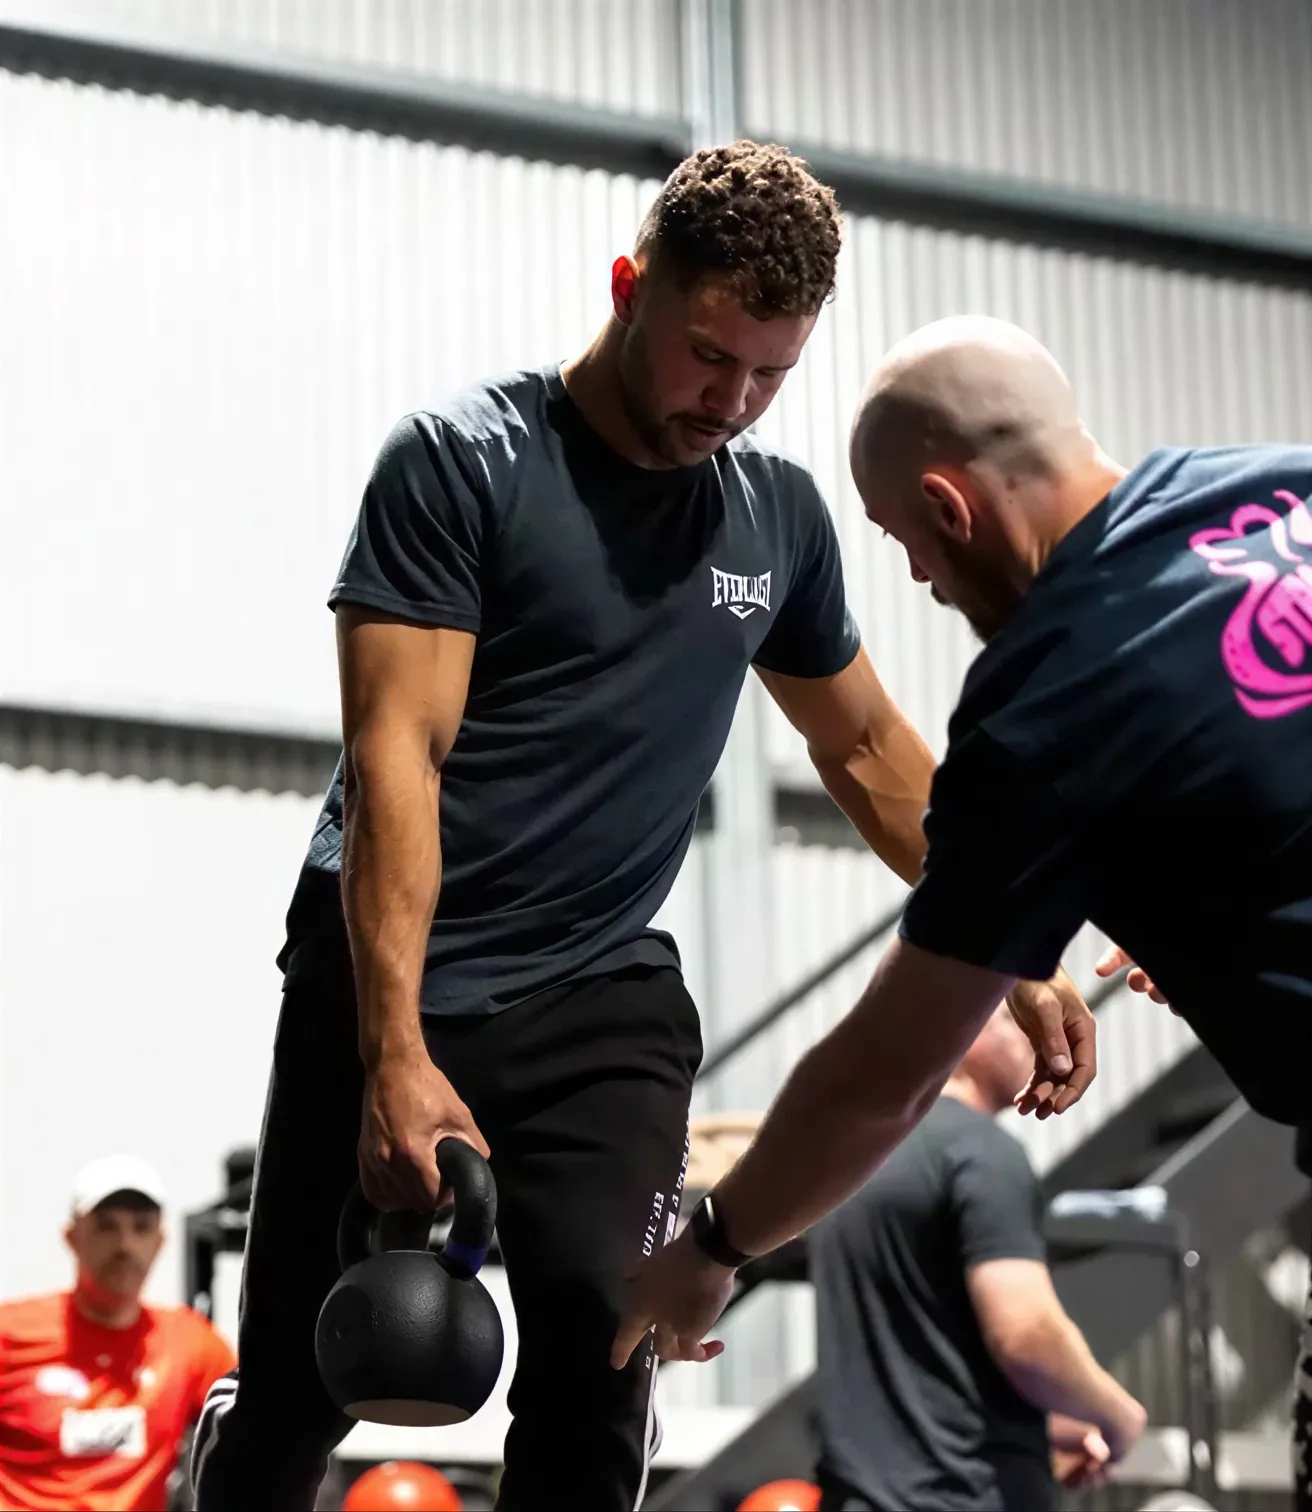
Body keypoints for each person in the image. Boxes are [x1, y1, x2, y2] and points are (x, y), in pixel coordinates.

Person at [191, 153, 1089, 1512]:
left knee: (605, 1355)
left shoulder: (772, 519)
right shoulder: (462, 465)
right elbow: (399, 763)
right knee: (304, 1388)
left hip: (597, 1001)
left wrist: (1009, 934)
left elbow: (861, 746)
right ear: (633, 289)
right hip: (386, 976)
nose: (726, 404)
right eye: (706, 355)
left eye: (768, 376)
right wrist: (392, 1051)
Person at [613, 313, 1312, 1497]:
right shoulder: (1276, 485)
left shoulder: (1047, 700)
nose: (920, 582)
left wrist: (715, 1243)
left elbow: (879, 1073)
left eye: (903, 544)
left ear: (949, 508)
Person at [809, 1004, 1145, 1512]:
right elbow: (1026, 1336)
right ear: (960, 1031)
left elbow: (920, 1359)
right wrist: (1117, 1417)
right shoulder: (982, 1151)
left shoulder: (850, 1157)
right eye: (1013, 1020)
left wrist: (1049, 1424)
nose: (1034, 1039)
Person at [0, 1155, 235, 1512]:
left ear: (160, 1241)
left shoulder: (190, 1343)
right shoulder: (10, 1333)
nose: (125, 1246)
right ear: (72, 1236)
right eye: (106, 1227)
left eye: (141, 1227)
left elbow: (260, 1437)